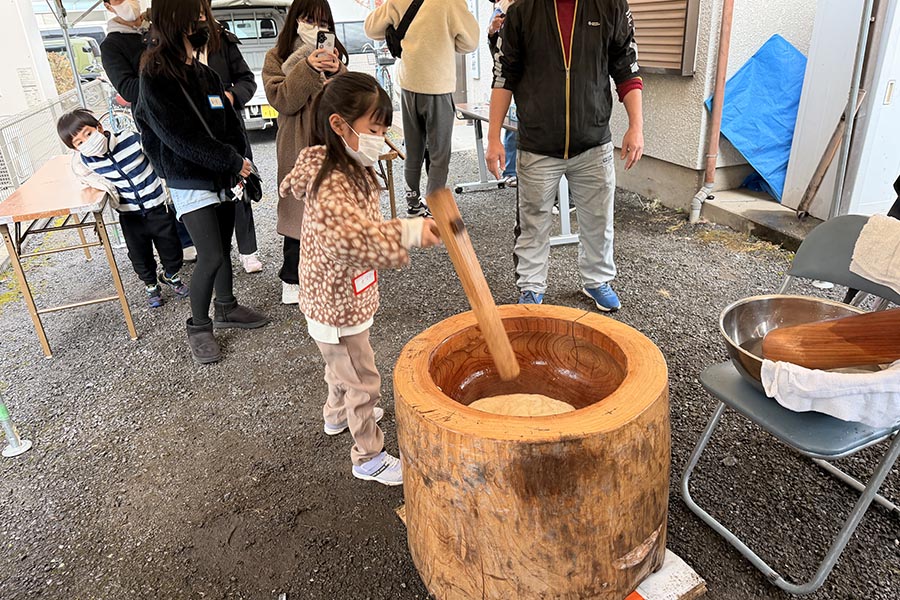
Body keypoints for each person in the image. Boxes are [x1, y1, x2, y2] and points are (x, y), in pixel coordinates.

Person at [280, 72, 441, 486]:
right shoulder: (333, 180)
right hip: (336, 302)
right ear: (339, 124)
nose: (381, 138)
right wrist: (408, 231)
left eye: (385, 129)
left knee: (341, 368)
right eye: (374, 129)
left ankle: (337, 414)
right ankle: (368, 456)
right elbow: (351, 238)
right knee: (363, 379)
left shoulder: (343, 162)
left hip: (334, 297)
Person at [486, 0, 644, 312]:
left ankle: (596, 280)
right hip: (536, 143)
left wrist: (636, 126)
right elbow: (504, 74)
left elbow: (626, 66)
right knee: (532, 222)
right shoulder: (522, 12)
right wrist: (493, 138)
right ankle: (531, 286)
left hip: (593, 140)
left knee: (599, 219)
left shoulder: (611, 6)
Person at [135, 0, 269, 365]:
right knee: (209, 255)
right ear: (173, 20)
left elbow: (229, 124)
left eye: (202, 15)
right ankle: (198, 325)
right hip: (188, 177)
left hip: (222, 174)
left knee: (222, 248)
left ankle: (227, 306)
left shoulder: (206, 75)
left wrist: (239, 159)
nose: (201, 21)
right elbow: (179, 137)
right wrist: (231, 161)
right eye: (194, 16)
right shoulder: (156, 76)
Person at [58, 108, 189, 309]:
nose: (87, 142)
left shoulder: (131, 140)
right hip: (130, 215)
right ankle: (151, 285)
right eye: (79, 143)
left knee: (172, 248)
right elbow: (80, 174)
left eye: (88, 134)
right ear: (75, 149)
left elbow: (156, 154)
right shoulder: (86, 161)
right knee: (139, 254)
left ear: (99, 128)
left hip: (157, 208)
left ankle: (170, 275)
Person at [100, 0, 199, 264]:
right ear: (109, 6)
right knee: (172, 181)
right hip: (156, 124)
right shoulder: (112, 45)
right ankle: (186, 239)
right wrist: (164, 71)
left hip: (190, 114)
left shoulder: (160, 24)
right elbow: (130, 90)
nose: (129, 3)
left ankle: (207, 235)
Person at [263, 0, 348, 305]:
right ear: (295, 19)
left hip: (330, 141)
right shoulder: (277, 56)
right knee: (298, 211)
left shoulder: (336, 53)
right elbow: (283, 100)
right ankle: (292, 277)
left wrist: (339, 72)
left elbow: (349, 100)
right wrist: (307, 66)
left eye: (322, 21)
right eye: (309, 19)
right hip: (297, 141)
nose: (316, 26)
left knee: (333, 208)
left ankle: (332, 272)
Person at [365, 0, 479, 217]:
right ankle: (436, 208)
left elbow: (371, 28)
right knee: (439, 154)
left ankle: (413, 205)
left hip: (409, 84)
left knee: (414, 150)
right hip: (438, 85)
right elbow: (470, 43)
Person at [197, 0, 263, 274]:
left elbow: (247, 79)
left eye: (200, 11)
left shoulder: (222, 39)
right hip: (195, 131)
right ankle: (212, 253)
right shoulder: (166, 45)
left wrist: (231, 95)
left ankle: (248, 250)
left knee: (239, 185)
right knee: (205, 192)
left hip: (228, 126)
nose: (197, 18)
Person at [487, 0, 517, 188]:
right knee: (513, 123)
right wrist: (492, 32)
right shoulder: (500, 11)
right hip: (511, 81)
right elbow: (498, 58)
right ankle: (510, 170)